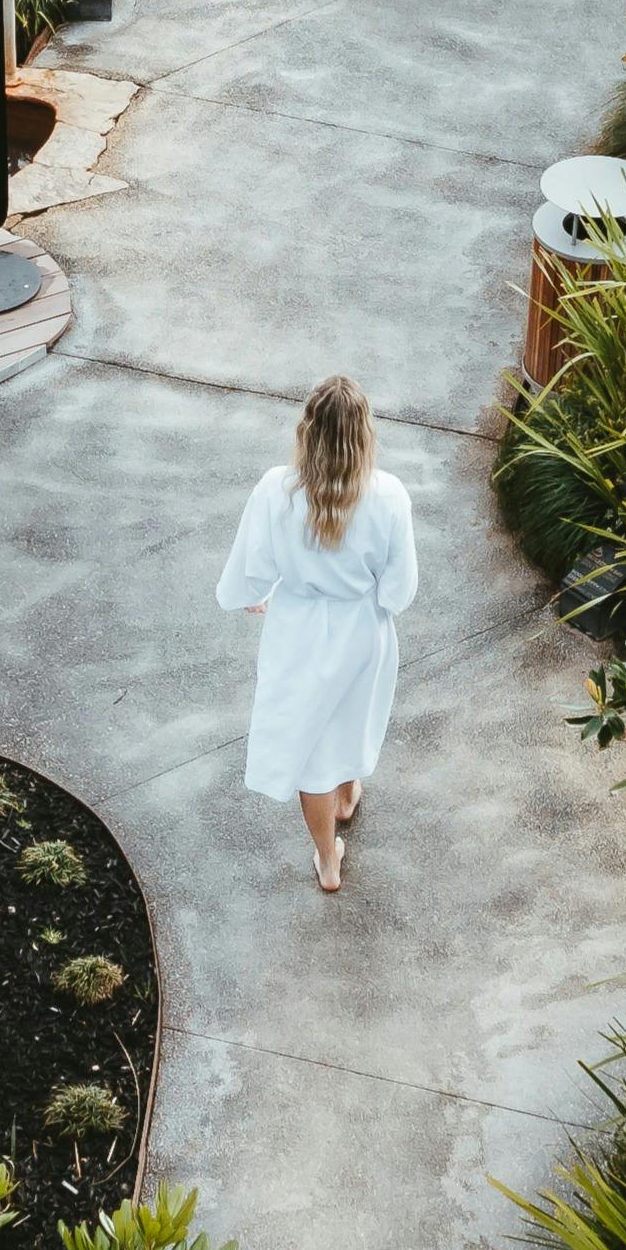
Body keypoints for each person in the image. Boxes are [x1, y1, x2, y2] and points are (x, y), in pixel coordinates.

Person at [217, 375, 419, 892]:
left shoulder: (276, 489)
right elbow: (399, 590)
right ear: (364, 435)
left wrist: (252, 594)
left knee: (312, 749)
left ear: (307, 430)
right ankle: (348, 795)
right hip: (361, 631)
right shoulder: (389, 495)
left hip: (299, 632)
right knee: (351, 717)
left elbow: (251, 570)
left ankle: (328, 860)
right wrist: (372, 603)